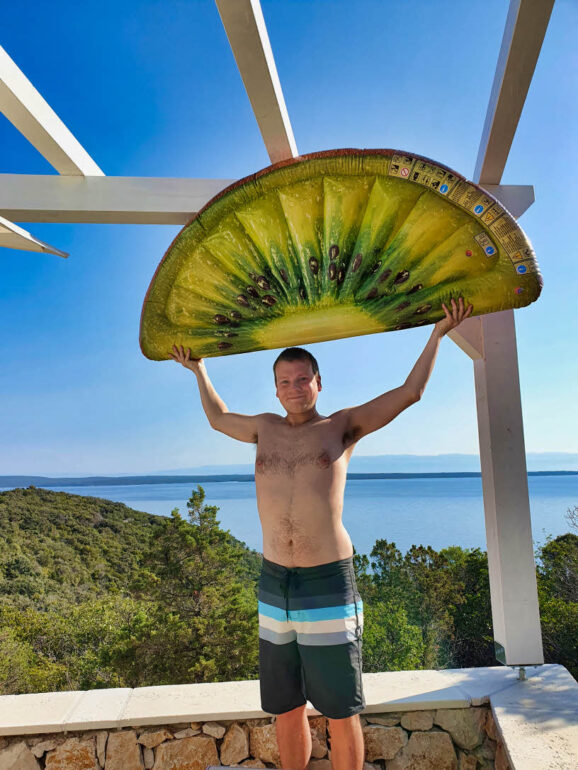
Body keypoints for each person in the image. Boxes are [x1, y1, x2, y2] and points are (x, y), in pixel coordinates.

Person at [171, 296, 473, 770]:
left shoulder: (342, 426)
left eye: (302, 380)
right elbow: (217, 417)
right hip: (274, 584)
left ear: (318, 383)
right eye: (284, 382)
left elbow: (409, 392)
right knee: (286, 705)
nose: (294, 388)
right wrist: (199, 370)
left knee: (338, 707)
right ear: (275, 390)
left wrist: (436, 334)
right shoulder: (263, 429)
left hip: (327, 582)